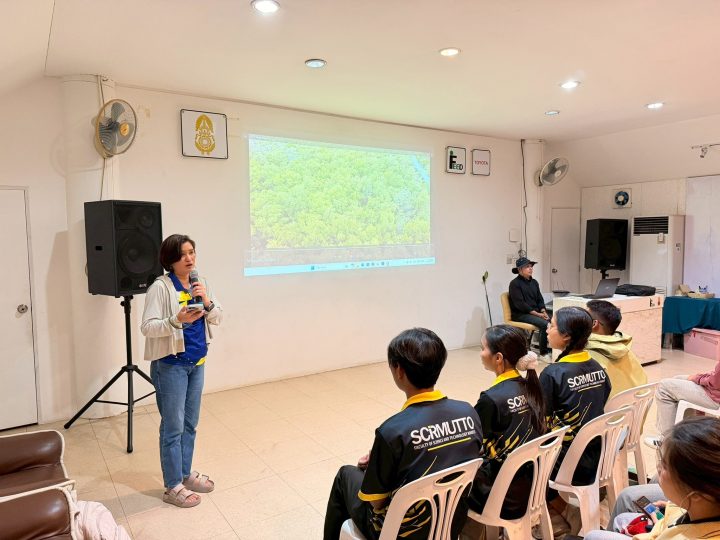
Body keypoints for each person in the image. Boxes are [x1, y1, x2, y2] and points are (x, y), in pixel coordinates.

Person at [323, 328, 483, 540]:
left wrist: (377, 465)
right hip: (452, 520)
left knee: (345, 475)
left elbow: (377, 503)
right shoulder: (468, 412)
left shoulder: (392, 431)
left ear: (399, 370)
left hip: (400, 532)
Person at [140, 234, 223, 508]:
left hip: (196, 364)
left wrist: (207, 302)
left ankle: (185, 474)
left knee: (190, 424)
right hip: (171, 366)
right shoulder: (160, 288)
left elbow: (218, 316)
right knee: (173, 427)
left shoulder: (201, 283)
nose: (189, 258)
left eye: (192, 252)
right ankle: (173, 485)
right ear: (170, 259)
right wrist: (176, 320)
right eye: (183, 254)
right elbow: (147, 327)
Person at [584, 416, 720, 539]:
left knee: (593, 536)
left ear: (695, 493)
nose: (658, 468)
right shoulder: (705, 505)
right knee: (626, 504)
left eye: (665, 466)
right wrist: (668, 515)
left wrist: (659, 530)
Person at [540, 306, 612, 533]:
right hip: (599, 453)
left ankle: (560, 514)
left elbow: (541, 421)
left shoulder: (553, 374)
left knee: (521, 461)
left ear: (566, 336)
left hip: (572, 462)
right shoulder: (597, 367)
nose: (547, 329)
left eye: (552, 325)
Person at [467, 325, 546, 520]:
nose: (480, 353)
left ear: (498, 358)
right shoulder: (533, 387)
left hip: (504, 495)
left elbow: (472, 445)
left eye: (483, 348)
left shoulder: (491, 399)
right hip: (535, 485)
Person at [645, 356, 720, 448]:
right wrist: (701, 376)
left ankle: (666, 441)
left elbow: (715, 382)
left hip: (715, 396)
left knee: (663, 388)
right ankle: (685, 437)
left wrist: (698, 378)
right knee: (677, 378)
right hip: (715, 389)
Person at [585, 300, 647, 398]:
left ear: (594, 324)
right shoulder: (623, 348)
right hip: (636, 405)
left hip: (609, 408)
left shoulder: (587, 354)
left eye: (583, 317)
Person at [508, 257, 551, 358]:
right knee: (544, 324)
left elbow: (540, 299)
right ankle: (543, 353)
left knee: (555, 321)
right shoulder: (514, 284)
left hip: (535, 313)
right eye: (527, 267)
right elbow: (520, 304)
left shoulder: (534, 282)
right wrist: (538, 314)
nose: (531, 268)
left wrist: (543, 311)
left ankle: (553, 349)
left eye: (531, 266)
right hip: (520, 314)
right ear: (520, 270)